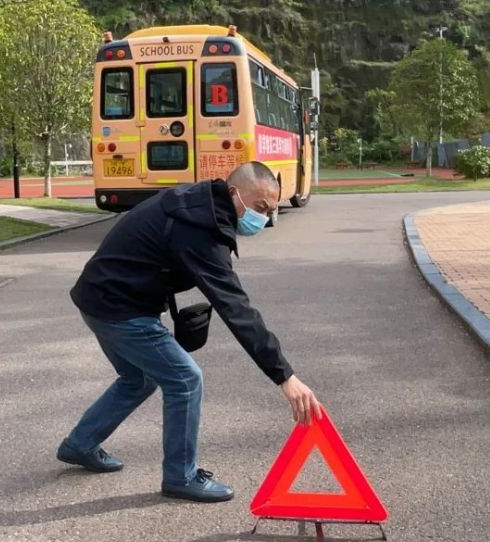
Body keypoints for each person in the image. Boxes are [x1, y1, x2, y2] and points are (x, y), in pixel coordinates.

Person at [57, 162, 322, 503]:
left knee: (138, 379)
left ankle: (80, 444)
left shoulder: (199, 204)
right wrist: (285, 376)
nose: (264, 217)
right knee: (185, 379)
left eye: (271, 210)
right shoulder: (201, 228)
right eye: (259, 207)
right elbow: (235, 307)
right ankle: (181, 476)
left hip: (98, 298)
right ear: (234, 193)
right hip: (119, 309)